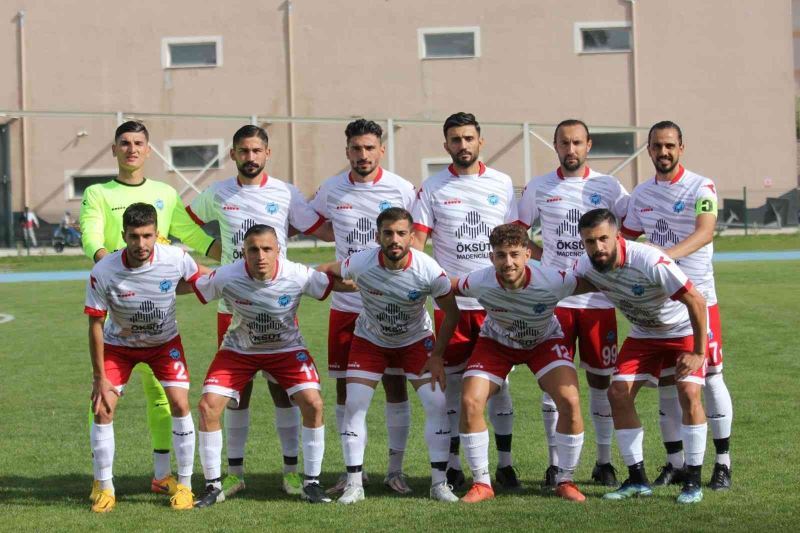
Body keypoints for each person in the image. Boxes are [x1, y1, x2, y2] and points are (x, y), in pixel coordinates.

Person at [186, 124, 332, 498]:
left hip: (276, 302)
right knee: (237, 391)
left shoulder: (285, 192)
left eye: (256, 150)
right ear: (233, 154)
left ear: (267, 153)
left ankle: (292, 472)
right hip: (231, 303)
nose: (250, 157)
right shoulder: (218, 192)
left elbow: (319, 228)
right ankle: (234, 474)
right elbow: (184, 222)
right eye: (243, 150)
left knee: (284, 390)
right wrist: (213, 250)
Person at [79, 120, 219, 500]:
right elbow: (91, 234)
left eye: (138, 143)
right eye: (124, 143)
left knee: (165, 399)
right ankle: (101, 480)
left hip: (158, 311)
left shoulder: (165, 193)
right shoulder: (98, 192)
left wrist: (229, 259)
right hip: (117, 304)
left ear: (148, 149)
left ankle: (162, 475)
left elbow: (190, 234)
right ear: (114, 149)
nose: (131, 149)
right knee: (103, 400)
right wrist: (116, 271)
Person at [187, 224, 350, 506]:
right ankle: (213, 485)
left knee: (313, 404)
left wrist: (369, 277)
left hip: (287, 350)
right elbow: (193, 285)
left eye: (266, 249)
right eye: (253, 250)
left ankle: (311, 482)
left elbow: (333, 282)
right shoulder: (226, 276)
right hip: (239, 350)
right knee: (207, 406)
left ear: (278, 251)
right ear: (243, 252)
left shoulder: (296, 274)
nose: (260, 256)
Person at [317, 207, 461, 504]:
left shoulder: (429, 269)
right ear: (377, 236)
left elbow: (452, 314)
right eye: (388, 233)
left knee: (436, 403)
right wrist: (346, 285)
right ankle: (354, 484)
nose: (394, 239)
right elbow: (323, 271)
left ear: (411, 237)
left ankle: (439, 484)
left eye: (400, 233)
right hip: (369, 340)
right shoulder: (361, 262)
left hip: (415, 341)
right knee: (354, 403)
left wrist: (437, 356)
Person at [514, 119, 629, 488]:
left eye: (577, 142)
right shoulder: (539, 186)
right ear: (556, 146)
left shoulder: (609, 186)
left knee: (601, 381)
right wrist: (543, 258)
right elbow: (517, 232)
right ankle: (554, 464)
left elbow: (629, 230)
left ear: (588, 145)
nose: (571, 149)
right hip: (555, 301)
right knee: (553, 383)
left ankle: (604, 461)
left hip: (599, 299)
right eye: (564, 143)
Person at [621, 121, 733, 490]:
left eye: (670, 145)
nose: (663, 152)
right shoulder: (641, 194)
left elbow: (705, 231)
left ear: (681, 147)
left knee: (710, 377)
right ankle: (675, 463)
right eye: (657, 146)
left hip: (699, 299)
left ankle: (722, 462)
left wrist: (664, 257)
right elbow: (626, 239)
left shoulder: (702, 186)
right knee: (668, 382)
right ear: (649, 150)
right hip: (660, 303)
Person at [411, 112, 519, 491]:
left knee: (500, 385)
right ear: (446, 145)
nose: (463, 145)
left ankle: (505, 465)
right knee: (453, 387)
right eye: (455, 139)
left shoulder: (502, 183)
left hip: (495, 304)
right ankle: (454, 466)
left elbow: (513, 242)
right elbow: (417, 243)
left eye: (469, 138)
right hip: (453, 307)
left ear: (480, 141)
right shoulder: (432, 187)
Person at [309, 119, 417, 495]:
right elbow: (317, 226)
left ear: (381, 150)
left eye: (370, 147)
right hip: (347, 305)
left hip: (390, 304)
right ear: (347, 152)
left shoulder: (402, 188)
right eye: (356, 148)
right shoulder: (331, 189)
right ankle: (352, 471)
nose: (363, 154)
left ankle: (395, 470)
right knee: (345, 389)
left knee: (395, 383)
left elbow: (414, 237)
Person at [575, 208, 709, 504]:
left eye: (603, 239)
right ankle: (637, 480)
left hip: (681, 329)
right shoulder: (586, 265)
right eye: (590, 241)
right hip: (644, 334)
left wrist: (699, 352)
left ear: (618, 236)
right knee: (618, 393)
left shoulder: (649, 260)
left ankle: (693, 481)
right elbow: (559, 285)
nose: (598, 247)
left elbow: (697, 301)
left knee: (689, 393)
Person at [454, 224, 595, 503]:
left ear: (528, 255)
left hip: (543, 342)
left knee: (570, 400)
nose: (508, 262)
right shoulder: (479, 281)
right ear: (491, 257)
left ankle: (565, 480)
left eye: (515, 254)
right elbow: (443, 286)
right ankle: (482, 484)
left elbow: (596, 282)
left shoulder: (552, 280)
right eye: (501, 255)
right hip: (496, 343)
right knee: (470, 401)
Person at [84, 203, 205, 512]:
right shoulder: (104, 271)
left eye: (147, 236)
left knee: (180, 404)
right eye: (134, 236)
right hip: (118, 347)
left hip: (164, 344)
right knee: (103, 408)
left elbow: (203, 280)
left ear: (156, 234)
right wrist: (99, 378)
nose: (141, 244)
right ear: (124, 235)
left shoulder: (175, 258)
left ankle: (185, 486)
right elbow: (95, 324)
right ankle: (104, 487)